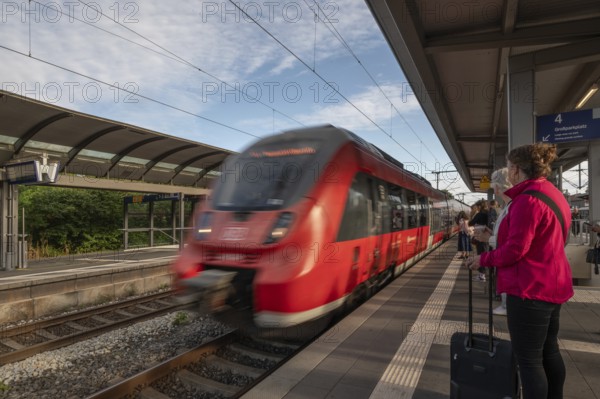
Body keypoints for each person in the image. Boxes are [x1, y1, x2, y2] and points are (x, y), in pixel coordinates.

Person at [465, 143, 573, 399]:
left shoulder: (527, 201)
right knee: (549, 352)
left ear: (515, 169)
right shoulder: (552, 194)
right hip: (552, 285)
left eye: (509, 167)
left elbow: (515, 250)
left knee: (529, 361)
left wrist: (483, 259)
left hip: (529, 289)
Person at [487, 168, 512, 316]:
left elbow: (512, 246)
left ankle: (506, 304)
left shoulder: (514, 206)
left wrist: (483, 258)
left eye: (494, 186)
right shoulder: (507, 206)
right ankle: (505, 303)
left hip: (519, 288)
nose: (494, 190)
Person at [469, 199, 489, 281]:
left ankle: (482, 276)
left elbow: (470, 223)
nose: (476, 208)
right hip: (486, 237)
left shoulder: (480, 214)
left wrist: (473, 214)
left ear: (479, 206)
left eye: (477, 206)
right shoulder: (488, 213)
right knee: (483, 254)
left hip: (480, 237)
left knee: (480, 254)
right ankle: (482, 274)